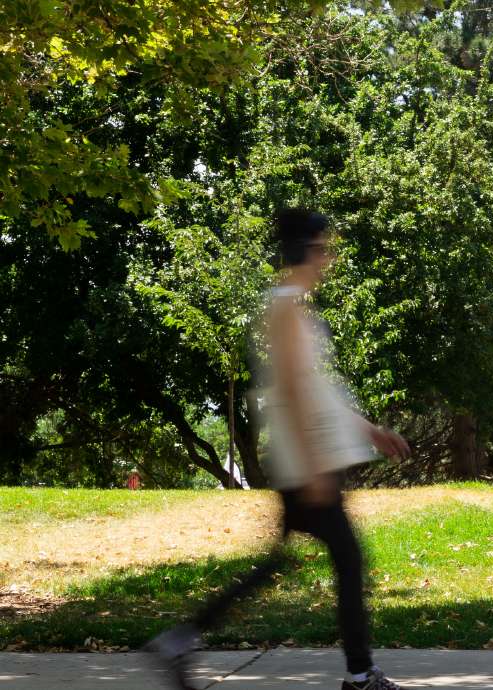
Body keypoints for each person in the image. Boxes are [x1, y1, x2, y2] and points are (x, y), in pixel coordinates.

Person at [145, 208, 411, 690]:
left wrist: (369, 429)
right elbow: (289, 391)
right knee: (348, 560)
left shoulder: (293, 307)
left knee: (282, 562)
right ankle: (359, 674)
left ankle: (180, 639)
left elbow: (312, 389)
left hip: (308, 460)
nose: (329, 258)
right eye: (323, 248)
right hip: (308, 463)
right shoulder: (286, 308)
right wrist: (311, 468)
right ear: (306, 251)